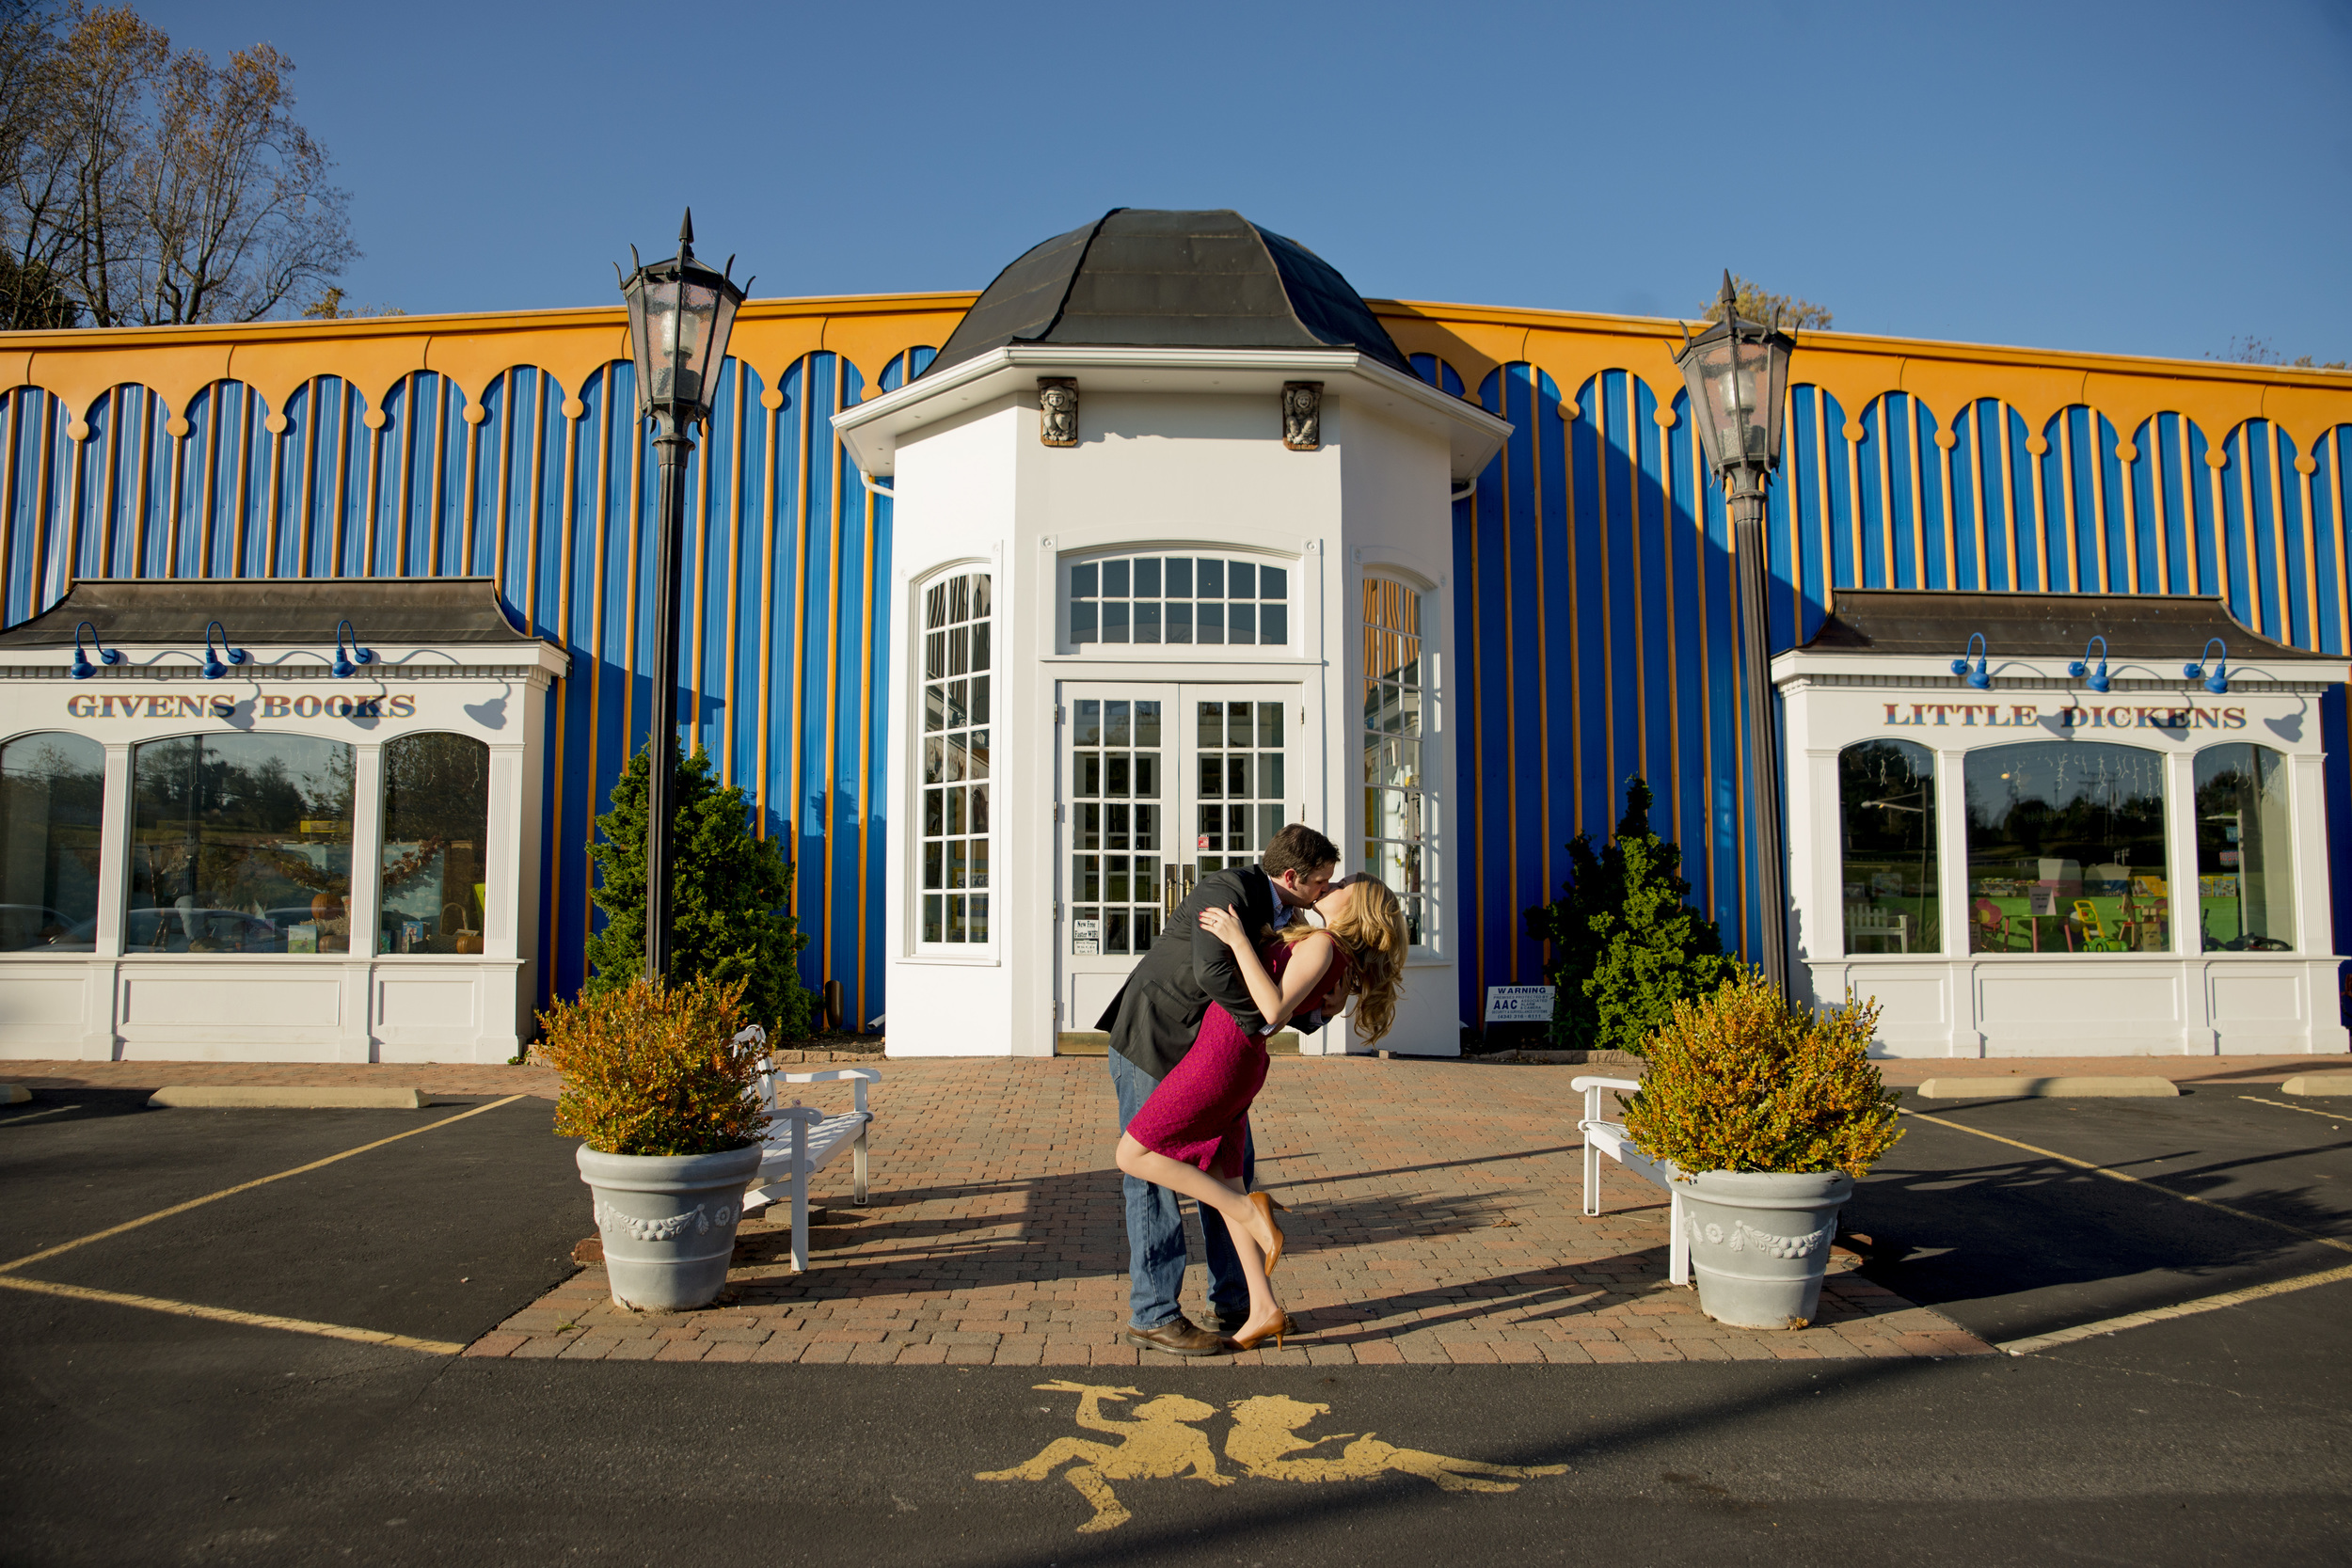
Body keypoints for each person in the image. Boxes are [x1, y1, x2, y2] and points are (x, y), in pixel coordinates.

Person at [1117, 872, 1409, 1351]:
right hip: (1237, 1059)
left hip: (1221, 1057)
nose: (1331, 884)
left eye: (1344, 883)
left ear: (1359, 907)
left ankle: (1250, 1213)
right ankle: (1263, 1307)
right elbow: (1291, 1000)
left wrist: (1236, 939)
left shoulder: (1322, 944)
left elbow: (1271, 1009)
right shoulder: (1326, 946)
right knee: (1226, 1174)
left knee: (1133, 1156)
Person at [1097, 824, 1338, 1355]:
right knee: (1154, 1176)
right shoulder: (1225, 892)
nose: (1324, 892)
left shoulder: (1288, 914)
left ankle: (1238, 1301)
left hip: (1207, 1056)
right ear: (1293, 876)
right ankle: (1153, 1313)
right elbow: (1212, 972)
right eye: (1321, 881)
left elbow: (1275, 983)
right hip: (1155, 1040)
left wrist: (1314, 1009)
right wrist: (1265, 1023)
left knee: (1231, 1170)